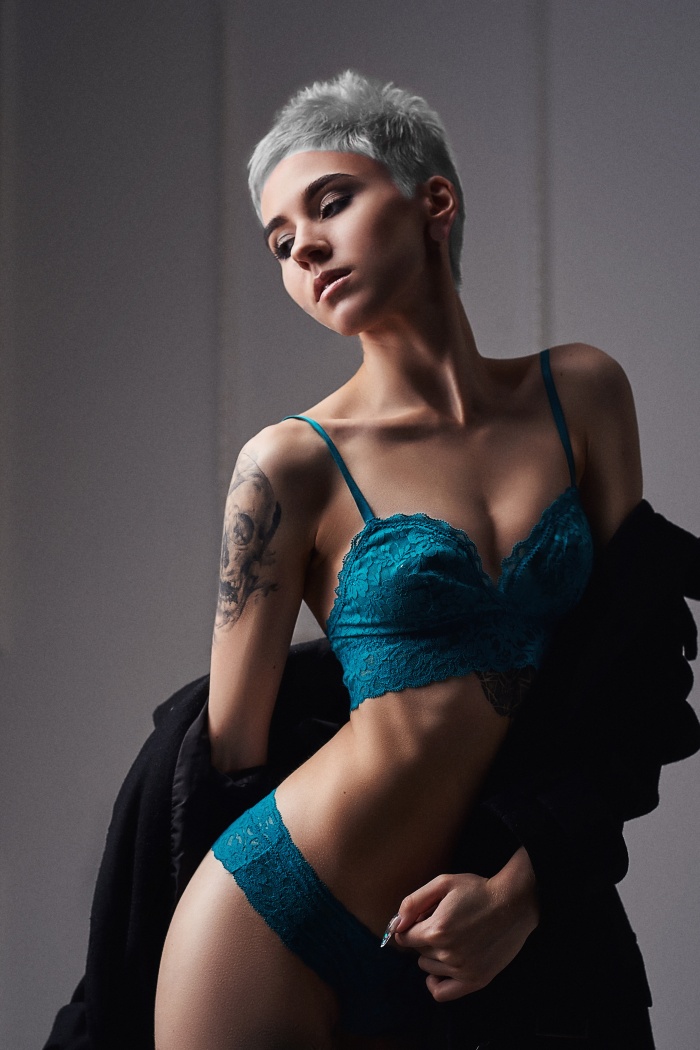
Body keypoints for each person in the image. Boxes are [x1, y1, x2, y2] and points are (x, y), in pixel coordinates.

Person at [153, 72, 677, 1050]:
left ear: (434, 200)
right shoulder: (290, 464)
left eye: (329, 202)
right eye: (279, 242)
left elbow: (632, 684)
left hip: (483, 916)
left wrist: (524, 889)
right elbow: (227, 761)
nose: (304, 248)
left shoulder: (583, 394)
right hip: (277, 916)